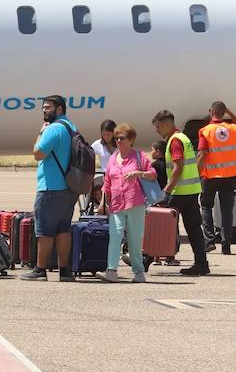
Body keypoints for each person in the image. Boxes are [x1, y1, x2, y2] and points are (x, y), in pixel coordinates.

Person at [22, 95, 78, 282]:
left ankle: (40, 270)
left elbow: (38, 153)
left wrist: (40, 133)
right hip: (69, 188)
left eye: (48, 107)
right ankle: (65, 270)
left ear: (59, 109)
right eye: (43, 108)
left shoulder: (53, 129)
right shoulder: (71, 127)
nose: (44, 111)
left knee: (44, 231)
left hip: (50, 188)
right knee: (63, 230)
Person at [151, 110, 209, 276]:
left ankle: (145, 259)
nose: (157, 130)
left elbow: (178, 168)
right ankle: (201, 264)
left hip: (179, 191)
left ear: (167, 124)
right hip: (191, 190)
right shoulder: (183, 138)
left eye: (158, 126)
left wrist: (167, 189)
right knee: (193, 229)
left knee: (159, 223)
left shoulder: (175, 141)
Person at [97, 123, 156, 283]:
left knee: (134, 241)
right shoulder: (112, 159)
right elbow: (107, 183)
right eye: (116, 138)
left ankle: (138, 272)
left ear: (131, 140)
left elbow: (152, 175)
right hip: (116, 205)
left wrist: (139, 173)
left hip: (135, 203)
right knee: (114, 237)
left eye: (122, 138)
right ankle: (111, 270)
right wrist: (104, 203)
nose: (118, 141)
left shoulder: (139, 156)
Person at [197, 101, 236, 254]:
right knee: (227, 210)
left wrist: (196, 173)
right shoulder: (232, 129)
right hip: (229, 176)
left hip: (210, 177)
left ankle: (209, 241)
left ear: (210, 111)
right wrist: (229, 112)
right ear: (224, 112)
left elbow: (202, 153)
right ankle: (226, 245)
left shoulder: (205, 131)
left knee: (206, 206)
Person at [88, 119, 117, 212]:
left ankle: (103, 206)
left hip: (116, 175)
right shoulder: (97, 144)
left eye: (109, 134)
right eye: (104, 134)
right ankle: (101, 206)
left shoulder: (119, 143)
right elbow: (89, 157)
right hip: (104, 175)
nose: (106, 137)